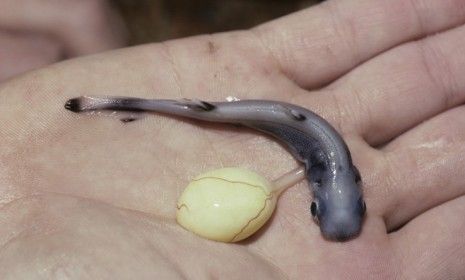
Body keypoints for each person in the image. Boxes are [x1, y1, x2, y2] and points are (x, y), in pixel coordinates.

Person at [0, 0, 464, 278]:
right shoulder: (319, 159)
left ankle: (119, 103)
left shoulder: (323, 166)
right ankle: (115, 103)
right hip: (270, 121)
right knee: (209, 114)